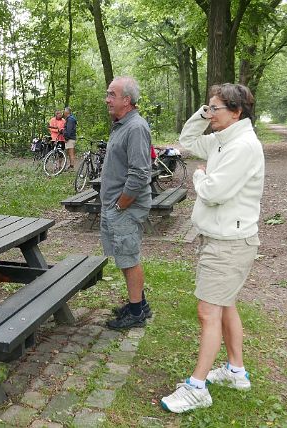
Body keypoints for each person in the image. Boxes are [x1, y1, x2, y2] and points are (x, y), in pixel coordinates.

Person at [160, 83, 264, 413]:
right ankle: (236, 371)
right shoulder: (224, 139)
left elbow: (214, 192)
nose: (210, 114)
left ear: (236, 112)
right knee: (225, 304)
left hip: (229, 243)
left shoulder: (242, 146)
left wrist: (199, 177)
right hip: (224, 238)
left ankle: (196, 387)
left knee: (208, 312)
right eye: (208, 108)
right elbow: (188, 141)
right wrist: (201, 114)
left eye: (215, 109)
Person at [100, 76, 153, 330]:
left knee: (129, 258)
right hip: (115, 205)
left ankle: (136, 313)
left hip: (124, 207)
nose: (107, 99)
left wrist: (120, 205)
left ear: (127, 100)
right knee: (123, 256)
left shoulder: (136, 128)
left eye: (112, 94)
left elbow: (140, 174)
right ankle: (139, 303)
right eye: (107, 94)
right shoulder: (122, 125)